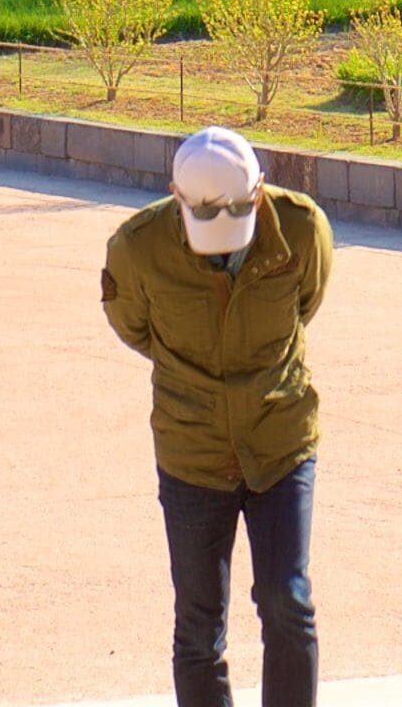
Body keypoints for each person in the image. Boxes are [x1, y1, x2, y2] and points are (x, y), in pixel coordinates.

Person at [101, 126, 335, 707]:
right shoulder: (137, 247)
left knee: (289, 601)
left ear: (258, 191)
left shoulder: (302, 228)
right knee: (199, 626)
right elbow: (133, 326)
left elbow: (307, 301)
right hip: (192, 454)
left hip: (280, 442)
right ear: (174, 195)